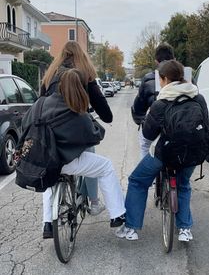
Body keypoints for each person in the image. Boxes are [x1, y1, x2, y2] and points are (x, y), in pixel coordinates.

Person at [116, 60, 209, 241]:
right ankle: (184, 230)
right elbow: (205, 125)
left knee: (137, 181)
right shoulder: (198, 97)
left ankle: (131, 228)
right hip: (193, 153)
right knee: (183, 185)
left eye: (160, 78)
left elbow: (148, 134)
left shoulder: (161, 102)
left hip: (165, 153)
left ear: (165, 78)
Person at [23, 68, 126, 235]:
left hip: (41, 160)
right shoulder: (75, 108)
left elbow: (25, 125)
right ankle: (117, 215)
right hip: (67, 161)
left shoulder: (40, 103)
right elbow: (94, 135)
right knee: (105, 167)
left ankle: (47, 224)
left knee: (49, 178)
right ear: (78, 87)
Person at [40, 41, 113, 238]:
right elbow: (102, 107)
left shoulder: (50, 75)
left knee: (49, 174)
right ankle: (94, 203)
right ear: (81, 55)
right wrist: (105, 117)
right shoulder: (84, 74)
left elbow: (40, 102)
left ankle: (47, 223)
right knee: (91, 152)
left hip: (51, 134)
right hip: (75, 130)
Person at [131, 43, 175, 158]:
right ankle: (184, 176)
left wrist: (140, 121)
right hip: (182, 125)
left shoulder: (149, 78)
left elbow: (138, 108)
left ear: (156, 61)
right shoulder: (187, 78)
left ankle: (146, 175)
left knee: (144, 144)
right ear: (174, 59)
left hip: (157, 126)